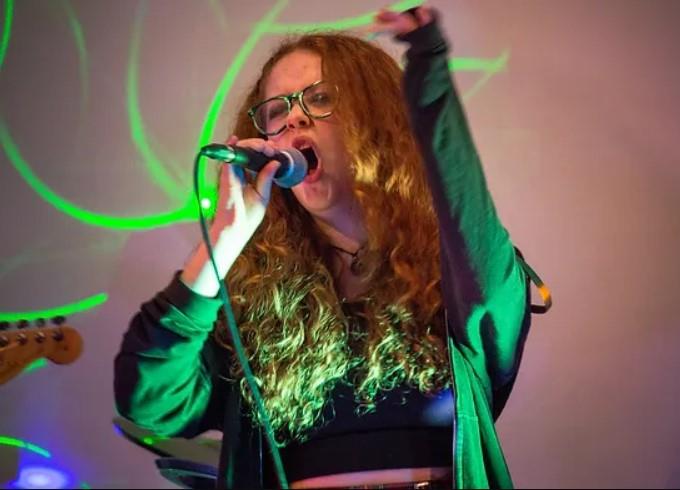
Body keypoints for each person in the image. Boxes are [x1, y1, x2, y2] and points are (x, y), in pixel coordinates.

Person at [114, 5, 532, 489]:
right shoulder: (254, 296)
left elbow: (464, 200)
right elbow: (149, 403)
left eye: (320, 98)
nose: (293, 118)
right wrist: (220, 246)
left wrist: (428, 67)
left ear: (377, 120)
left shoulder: (456, 273)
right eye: (277, 111)